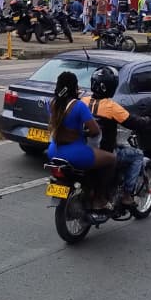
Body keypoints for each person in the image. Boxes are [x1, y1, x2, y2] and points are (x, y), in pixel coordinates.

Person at [46, 71, 118, 210]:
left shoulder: (53, 103)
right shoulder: (78, 106)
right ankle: (99, 198)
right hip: (75, 153)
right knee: (112, 159)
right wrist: (85, 132)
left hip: (54, 151)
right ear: (74, 87)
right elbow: (95, 130)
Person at [86, 65, 151, 206]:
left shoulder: (83, 101)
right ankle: (127, 195)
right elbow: (132, 122)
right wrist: (146, 121)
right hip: (105, 152)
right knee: (137, 155)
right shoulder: (111, 106)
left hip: (86, 149)